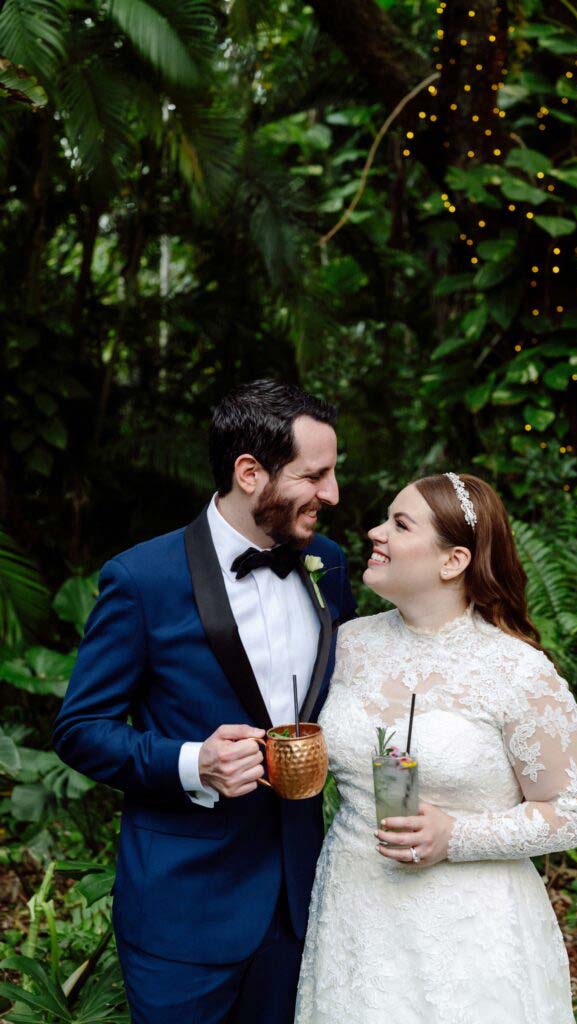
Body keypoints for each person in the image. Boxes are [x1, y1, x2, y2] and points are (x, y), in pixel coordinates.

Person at [53, 379, 356, 1024]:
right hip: (182, 915)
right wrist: (194, 763)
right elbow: (80, 728)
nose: (332, 494)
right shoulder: (143, 579)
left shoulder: (328, 564)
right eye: (315, 475)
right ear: (250, 473)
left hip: (299, 900)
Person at [295, 472, 577, 1024]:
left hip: (470, 932)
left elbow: (574, 815)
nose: (374, 532)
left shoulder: (517, 671)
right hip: (355, 910)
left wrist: (456, 836)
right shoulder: (349, 644)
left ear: (452, 561)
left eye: (399, 524)